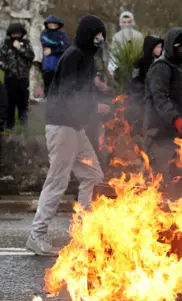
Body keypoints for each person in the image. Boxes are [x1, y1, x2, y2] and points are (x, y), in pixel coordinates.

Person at [27, 15, 109, 256]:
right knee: (58, 179)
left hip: (74, 127)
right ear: (87, 33)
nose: (100, 39)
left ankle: (82, 233)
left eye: (102, 35)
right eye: (97, 34)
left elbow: (83, 91)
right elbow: (70, 93)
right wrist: (95, 108)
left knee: (93, 175)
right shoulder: (74, 55)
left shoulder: (85, 58)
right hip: (61, 126)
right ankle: (37, 234)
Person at [144, 27, 182, 186]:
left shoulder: (179, 67)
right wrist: (176, 120)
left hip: (177, 133)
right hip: (160, 134)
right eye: (178, 44)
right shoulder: (161, 67)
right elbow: (160, 98)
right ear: (171, 44)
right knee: (162, 182)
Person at [0, 23, 35, 133]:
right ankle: (9, 126)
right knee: (10, 103)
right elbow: (0, 60)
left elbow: (31, 55)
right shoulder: (5, 44)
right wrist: (8, 68)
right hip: (10, 79)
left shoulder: (26, 43)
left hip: (23, 79)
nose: (16, 35)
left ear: (22, 33)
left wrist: (20, 48)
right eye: (13, 33)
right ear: (9, 34)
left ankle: (24, 127)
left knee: (23, 104)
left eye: (18, 33)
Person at [126, 35, 163, 135]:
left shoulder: (160, 62)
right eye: (158, 47)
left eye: (161, 47)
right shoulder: (140, 62)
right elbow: (135, 79)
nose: (161, 49)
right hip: (141, 96)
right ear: (151, 48)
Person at [40, 15, 70, 97]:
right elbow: (45, 43)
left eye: (54, 24)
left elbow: (67, 47)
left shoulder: (62, 35)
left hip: (59, 67)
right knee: (48, 90)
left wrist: (53, 50)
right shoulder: (44, 34)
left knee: (58, 90)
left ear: (58, 25)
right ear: (47, 24)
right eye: (50, 24)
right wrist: (59, 45)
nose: (52, 26)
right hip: (47, 67)